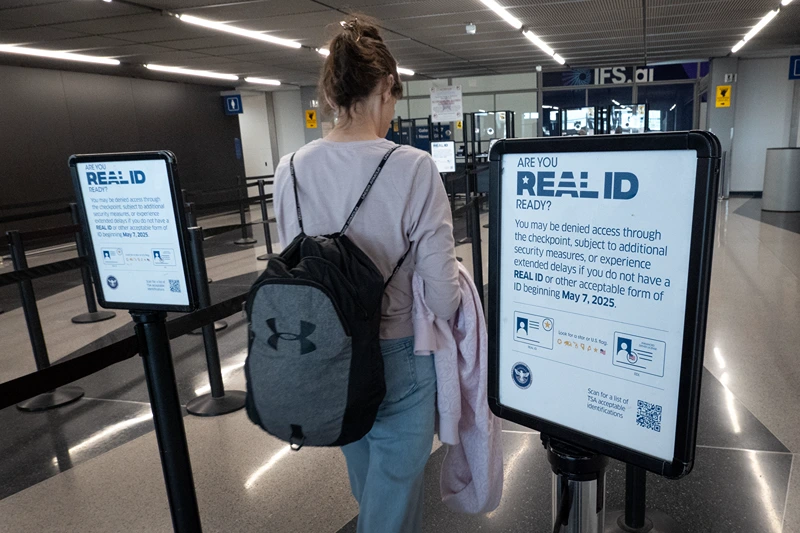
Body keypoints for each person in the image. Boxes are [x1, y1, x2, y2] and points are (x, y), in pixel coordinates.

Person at [273, 16, 460, 533]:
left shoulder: (288, 170)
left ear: (332, 96)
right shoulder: (414, 168)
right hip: (399, 354)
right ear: (385, 88)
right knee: (394, 493)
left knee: (368, 482)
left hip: (326, 352)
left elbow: (295, 265)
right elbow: (443, 300)